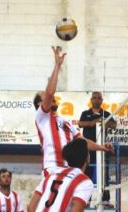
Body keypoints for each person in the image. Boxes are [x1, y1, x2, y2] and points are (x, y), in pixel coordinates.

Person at [34, 47, 113, 177]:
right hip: (52, 169)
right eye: (45, 97)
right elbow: (49, 92)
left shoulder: (65, 122)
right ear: (39, 104)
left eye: (52, 97)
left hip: (69, 170)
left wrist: (102, 147)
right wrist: (57, 66)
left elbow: (83, 142)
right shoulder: (41, 117)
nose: (51, 97)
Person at [78, 91, 117, 207]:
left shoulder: (106, 113)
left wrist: (103, 121)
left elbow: (114, 125)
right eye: (94, 98)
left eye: (99, 98)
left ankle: (105, 201)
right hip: (88, 149)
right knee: (86, 175)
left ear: (102, 101)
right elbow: (80, 124)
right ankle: (86, 200)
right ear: (91, 100)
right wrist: (93, 122)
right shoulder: (85, 113)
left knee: (104, 175)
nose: (97, 100)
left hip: (101, 148)